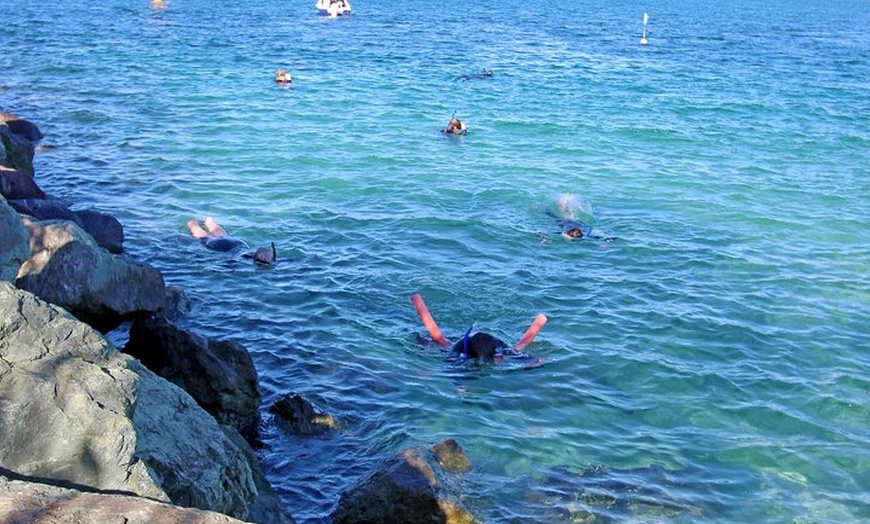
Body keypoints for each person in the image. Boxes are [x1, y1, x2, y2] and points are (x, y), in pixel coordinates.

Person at [411, 293, 546, 363]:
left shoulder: (501, 348)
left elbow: (523, 358)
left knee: (519, 348)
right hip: (463, 343)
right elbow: (452, 369)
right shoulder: (459, 349)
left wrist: (534, 362)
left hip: (492, 342)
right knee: (440, 343)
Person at [187, 217, 276, 265]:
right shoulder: (244, 259)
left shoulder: (248, 255)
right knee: (205, 237)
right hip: (220, 245)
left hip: (235, 242)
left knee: (221, 235)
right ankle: (192, 225)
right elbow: (229, 263)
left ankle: (208, 221)